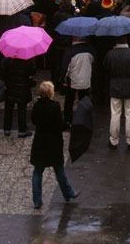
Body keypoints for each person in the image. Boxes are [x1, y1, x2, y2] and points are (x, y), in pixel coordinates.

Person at [29, 81, 79, 210]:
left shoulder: (37, 106)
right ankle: (68, 192)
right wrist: (67, 125)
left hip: (40, 142)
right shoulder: (55, 107)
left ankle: (37, 200)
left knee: (38, 171)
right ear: (50, 93)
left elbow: (34, 120)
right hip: (53, 143)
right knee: (59, 169)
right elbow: (59, 124)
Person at [104, 35, 130, 149]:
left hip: (115, 86)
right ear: (127, 40)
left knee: (115, 114)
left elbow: (106, 70)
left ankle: (113, 140)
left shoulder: (110, 54)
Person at [1, 55, 36, 137]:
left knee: (8, 109)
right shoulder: (28, 58)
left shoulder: (7, 59)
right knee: (22, 109)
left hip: (10, 87)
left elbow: (2, 74)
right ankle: (22, 130)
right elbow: (33, 71)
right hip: (23, 87)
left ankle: (7, 129)